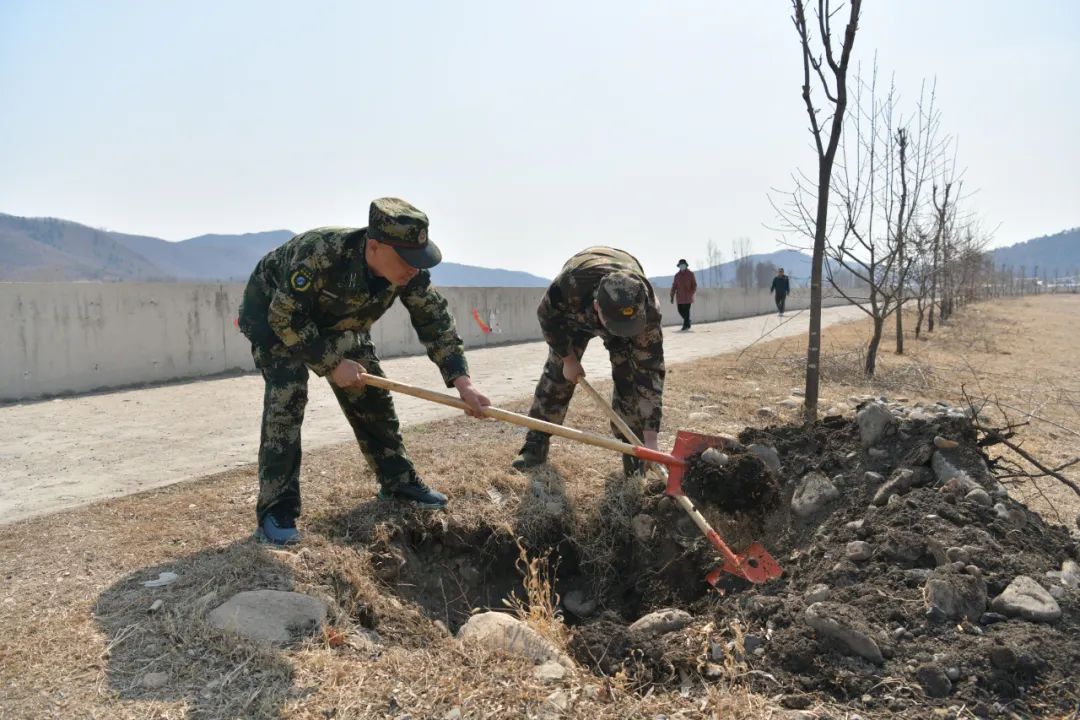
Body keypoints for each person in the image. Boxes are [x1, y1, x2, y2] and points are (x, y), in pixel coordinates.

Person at [238, 197, 491, 545]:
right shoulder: (320, 254)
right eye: (406, 260)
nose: (413, 269)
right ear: (374, 247)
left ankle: (398, 482)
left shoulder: (409, 273)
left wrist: (464, 384)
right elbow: (284, 317)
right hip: (275, 319)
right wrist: (330, 364)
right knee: (288, 399)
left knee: (373, 396)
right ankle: (276, 511)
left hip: (340, 325)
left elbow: (434, 321)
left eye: (418, 260)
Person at [512, 247, 665, 478]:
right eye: (615, 325)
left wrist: (651, 439)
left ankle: (634, 449)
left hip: (622, 302)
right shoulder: (570, 286)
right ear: (597, 307)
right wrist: (568, 359)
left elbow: (650, 374)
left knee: (632, 381)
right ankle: (536, 442)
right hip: (574, 315)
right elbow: (547, 318)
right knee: (558, 375)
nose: (621, 333)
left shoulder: (647, 310)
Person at [670, 258, 697, 331]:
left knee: (687, 311)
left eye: (683, 265)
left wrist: (692, 292)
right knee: (680, 310)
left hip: (688, 296)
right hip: (680, 297)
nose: (682, 266)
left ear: (686, 265)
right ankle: (688, 321)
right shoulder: (677, 275)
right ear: (679, 266)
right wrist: (672, 296)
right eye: (681, 265)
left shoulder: (690, 274)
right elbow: (674, 286)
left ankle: (685, 326)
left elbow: (694, 285)